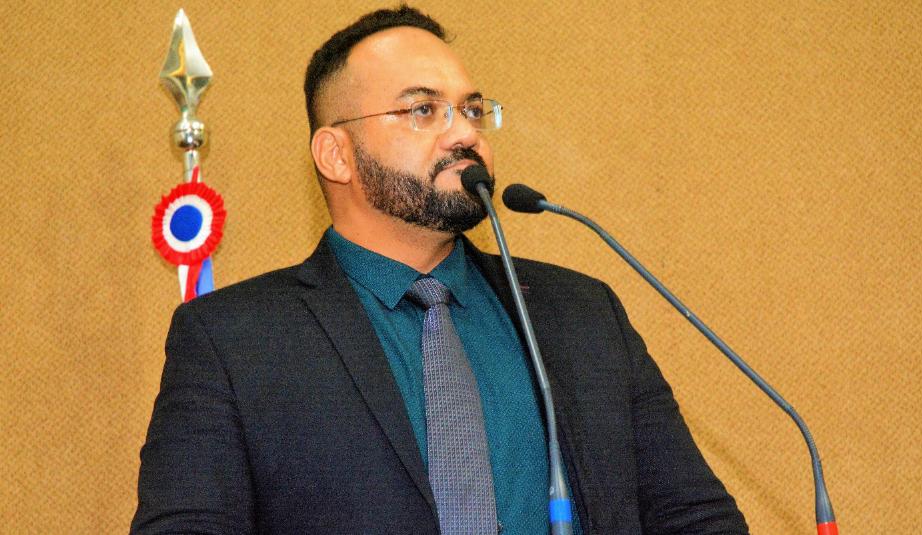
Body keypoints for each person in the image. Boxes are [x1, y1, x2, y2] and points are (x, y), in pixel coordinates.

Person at [132, 6, 748, 534]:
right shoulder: (233, 341)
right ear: (336, 155)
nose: (464, 134)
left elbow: (695, 518)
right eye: (423, 110)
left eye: (472, 110)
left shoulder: (582, 314)